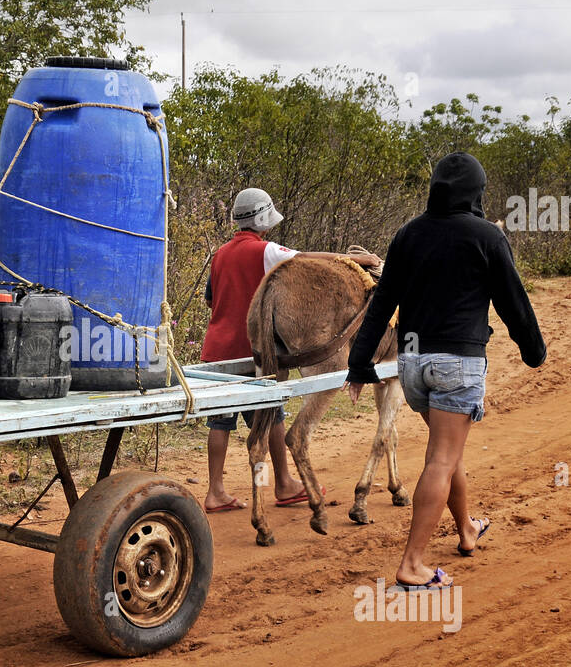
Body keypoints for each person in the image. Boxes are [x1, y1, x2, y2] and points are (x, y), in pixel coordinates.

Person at [346, 153, 546, 589]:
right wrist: (534, 351)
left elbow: (382, 304)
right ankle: (412, 565)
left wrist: (359, 363)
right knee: (441, 457)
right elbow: (514, 303)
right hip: (457, 364)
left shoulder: (407, 235)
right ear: (477, 192)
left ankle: (466, 530)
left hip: (413, 364)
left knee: (446, 451)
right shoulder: (487, 237)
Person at [202, 188, 381, 513]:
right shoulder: (265, 250)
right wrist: (357, 260)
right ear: (262, 221)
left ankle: (216, 491)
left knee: (221, 424)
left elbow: (211, 300)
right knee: (271, 417)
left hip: (216, 350)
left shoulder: (220, 254)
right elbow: (307, 259)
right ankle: (283, 483)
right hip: (252, 348)